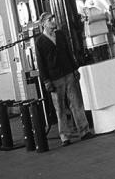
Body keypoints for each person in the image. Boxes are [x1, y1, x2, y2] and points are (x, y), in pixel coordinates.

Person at [35, 11, 93, 146]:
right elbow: (41, 63)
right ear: (44, 24)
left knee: (76, 103)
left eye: (53, 18)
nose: (53, 21)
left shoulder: (60, 35)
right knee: (60, 108)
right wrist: (46, 81)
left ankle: (84, 131)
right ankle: (65, 137)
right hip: (55, 79)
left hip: (68, 73)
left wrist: (74, 69)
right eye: (50, 19)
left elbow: (68, 52)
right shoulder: (40, 42)